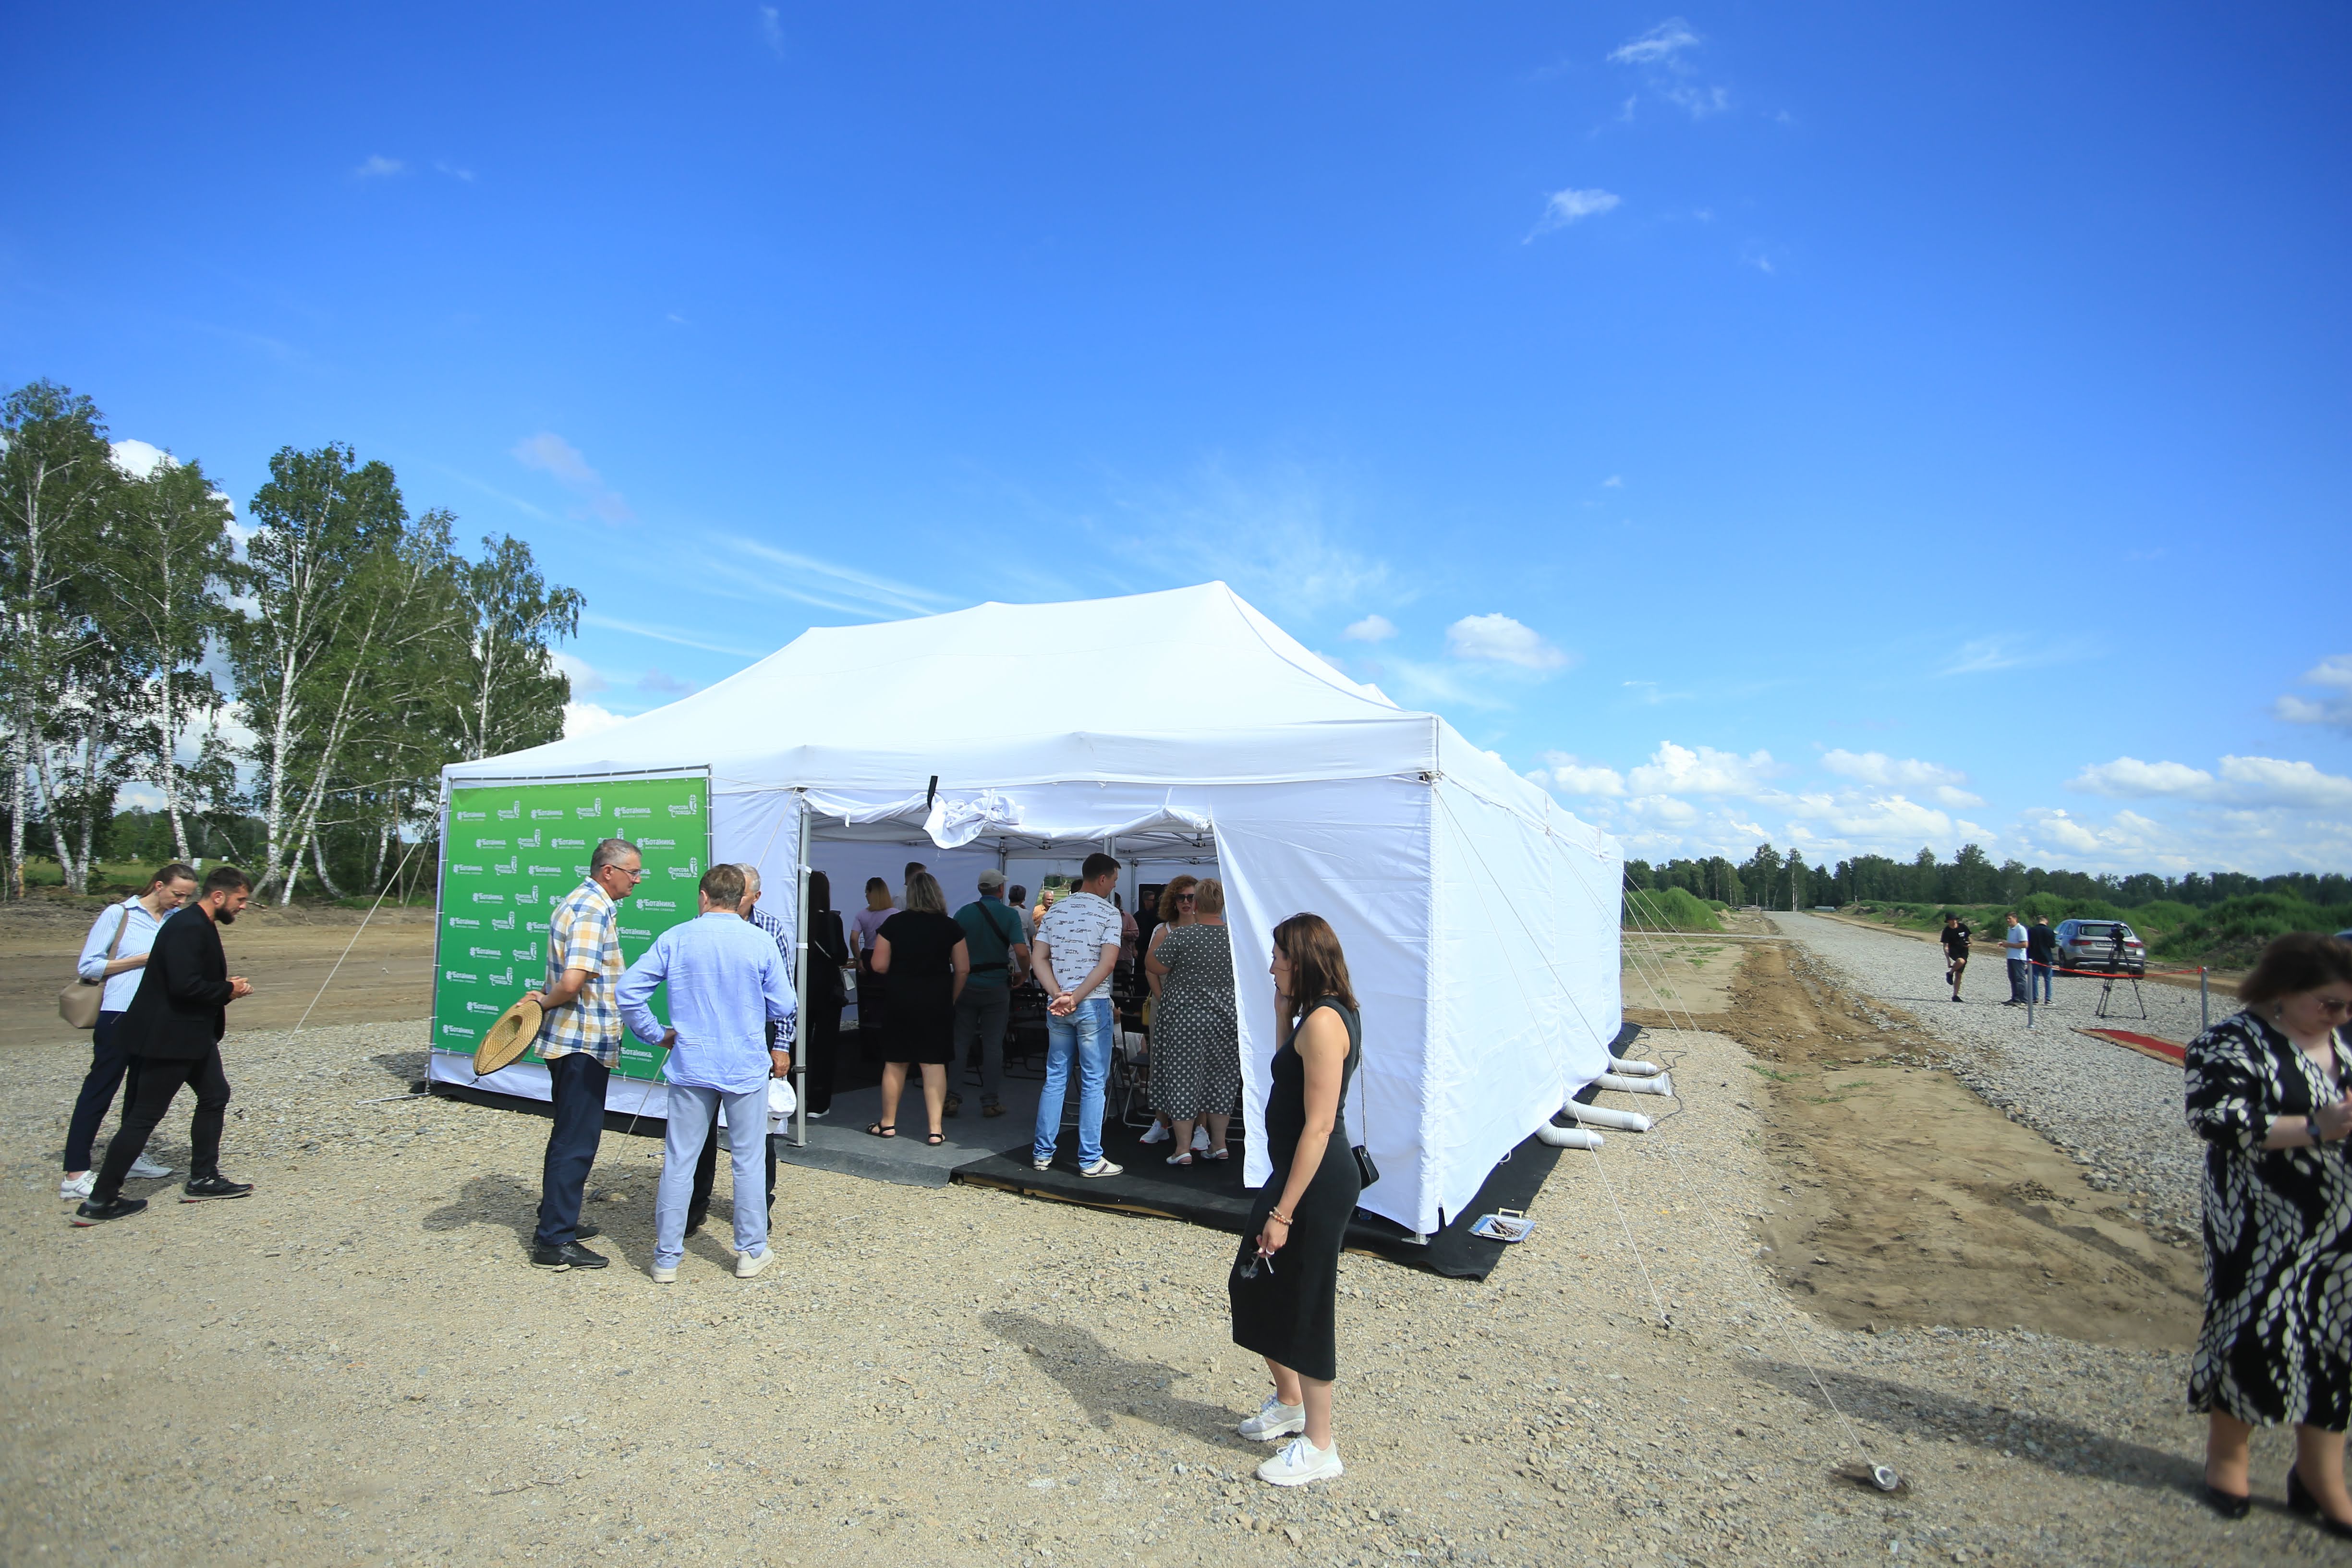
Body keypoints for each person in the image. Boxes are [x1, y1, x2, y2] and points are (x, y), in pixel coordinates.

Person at [2184, 932, 2352, 1533]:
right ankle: (2227, 1459)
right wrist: (2315, 1126)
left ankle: (2319, 1475)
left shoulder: (2342, 1040)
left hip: (2340, 1227)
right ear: (2282, 990)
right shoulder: (2231, 1040)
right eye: (2328, 1004)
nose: (2339, 1016)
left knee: (2336, 1342)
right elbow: (2212, 1118)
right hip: (2261, 1224)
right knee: (2254, 1333)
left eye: (2348, 1006)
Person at [1229, 912, 1362, 1487]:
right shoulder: (1314, 1015)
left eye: (1278, 957)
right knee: (1252, 1283)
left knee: (1306, 1302)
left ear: (1302, 960)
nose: (1271, 967)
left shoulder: (1326, 1022)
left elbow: (1319, 1125)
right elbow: (1287, 1073)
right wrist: (1282, 1011)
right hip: (1294, 1175)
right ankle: (1289, 1401)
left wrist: (1282, 1212)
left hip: (1314, 1182)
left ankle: (1320, 1443)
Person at [619, 863, 797, 1283]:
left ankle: (667, 1258)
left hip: (692, 1062)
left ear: (703, 896)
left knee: (680, 1160)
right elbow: (785, 1004)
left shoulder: (677, 937)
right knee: (749, 1160)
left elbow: (629, 990)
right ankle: (751, 1250)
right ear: (741, 898)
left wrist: (655, 1033)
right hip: (744, 1063)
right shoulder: (760, 940)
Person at [73, 866, 259, 1225]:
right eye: (240, 899)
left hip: (194, 1035)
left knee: (215, 1095)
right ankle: (100, 1201)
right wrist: (228, 990)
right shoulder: (188, 926)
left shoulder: (198, 923)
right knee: (144, 1116)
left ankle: (203, 1178)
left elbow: (190, 980)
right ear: (218, 896)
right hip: (170, 1038)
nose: (243, 906)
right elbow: (184, 986)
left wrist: (224, 988)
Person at [517, 838, 644, 1272]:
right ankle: (554, 1238)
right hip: (582, 1040)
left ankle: (557, 1214)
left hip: (572, 1039)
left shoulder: (578, 901)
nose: (637, 880)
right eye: (633, 872)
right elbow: (573, 982)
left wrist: (545, 1000)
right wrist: (544, 1002)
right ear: (609, 871)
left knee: (568, 1131)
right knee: (577, 1139)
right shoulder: (592, 909)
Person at [61, 863, 199, 1200]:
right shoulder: (119, 914)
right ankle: (75, 1173)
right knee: (100, 1089)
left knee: (140, 1090)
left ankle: (131, 1156)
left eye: (187, 897)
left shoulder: (174, 920)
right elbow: (89, 966)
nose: (181, 901)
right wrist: (143, 959)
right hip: (118, 1013)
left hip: (155, 1017)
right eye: (177, 894)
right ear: (158, 885)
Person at [685, 865, 794, 1233]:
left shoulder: (770, 929)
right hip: (709, 1036)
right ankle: (694, 1206)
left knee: (758, 1131)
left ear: (756, 897)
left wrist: (781, 1044)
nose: (732, 900)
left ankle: (758, 1207)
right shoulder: (700, 925)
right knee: (700, 1129)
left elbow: (784, 995)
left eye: (741, 893)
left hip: (754, 1036)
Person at [1031, 853, 1127, 1177]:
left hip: (1059, 1004)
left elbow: (1039, 958)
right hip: (1091, 1003)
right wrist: (1076, 997)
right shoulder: (1109, 913)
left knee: (1056, 1077)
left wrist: (1058, 994)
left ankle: (1042, 1152)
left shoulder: (1055, 910)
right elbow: (1108, 964)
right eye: (1114, 880)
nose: (1114, 886)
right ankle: (1090, 1159)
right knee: (1093, 1082)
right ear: (1102, 879)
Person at [868, 870, 969, 1144]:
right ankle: (935, 1130)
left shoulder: (894, 923)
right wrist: (951, 997)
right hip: (936, 1001)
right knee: (934, 1063)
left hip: (900, 999)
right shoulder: (950, 927)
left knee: (896, 1062)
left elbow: (878, 965)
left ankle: (888, 1123)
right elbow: (963, 969)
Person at [1146, 877, 1238, 1166]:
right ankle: (1219, 1145)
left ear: (1196, 904)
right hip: (1225, 1018)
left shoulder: (1182, 936)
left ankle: (1183, 1148)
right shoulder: (1235, 937)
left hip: (1184, 1020)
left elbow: (1153, 965)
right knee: (1222, 1080)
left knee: (1183, 1080)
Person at [952, 868, 1031, 1119]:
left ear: (980, 889)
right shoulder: (1009, 915)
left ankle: (951, 1097)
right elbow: (1021, 951)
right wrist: (1025, 972)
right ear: (1000, 890)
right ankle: (990, 1101)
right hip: (996, 985)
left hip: (966, 983)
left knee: (960, 1042)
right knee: (993, 1045)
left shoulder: (963, 912)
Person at [798, 869, 850, 1118]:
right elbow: (840, 955)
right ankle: (818, 1103)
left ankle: (793, 1096)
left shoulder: (797, 919)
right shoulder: (832, 920)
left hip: (802, 988)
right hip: (828, 991)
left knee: (797, 1045)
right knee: (825, 1048)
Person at [852, 876, 897, 1036]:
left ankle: (868, 1037)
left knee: (868, 1000)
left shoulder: (862, 915)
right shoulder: (895, 914)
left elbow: (854, 939)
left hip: (868, 956)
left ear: (872, 893)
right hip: (889, 958)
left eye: (867, 891)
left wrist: (859, 960)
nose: (865, 895)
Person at [1939, 913, 1972, 1002]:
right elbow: (1945, 946)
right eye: (1952, 920)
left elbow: (1969, 938)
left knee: (1959, 974)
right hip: (1954, 951)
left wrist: (1969, 944)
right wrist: (1948, 960)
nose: (1954, 921)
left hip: (1964, 951)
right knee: (1961, 961)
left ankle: (1955, 996)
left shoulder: (1963, 927)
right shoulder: (1947, 931)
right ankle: (1950, 973)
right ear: (1948, 921)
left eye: (1955, 920)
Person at [2027, 915, 2059, 1005]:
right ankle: (2048, 999)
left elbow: (2029, 945)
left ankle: (2035, 998)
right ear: (2046, 921)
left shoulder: (2031, 930)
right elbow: (2053, 945)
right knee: (2048, 979)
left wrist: (2028, 957)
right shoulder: (2050, 931)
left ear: (2038, 921)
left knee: (2034, 978)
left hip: (2034, 958)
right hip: (2046, 958)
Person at [2001, 912, 2030, 1006]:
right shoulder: (2010, 930)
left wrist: (2009, 945)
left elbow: (2025, 944)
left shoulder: (2021, 929)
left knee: (2020, 979)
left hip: (2018, 958)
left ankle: (2024, 1000)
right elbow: (2012, 943)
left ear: (2015, 919)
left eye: (2009, 918)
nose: (2008, 920)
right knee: (2013, 978)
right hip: (2011, 956)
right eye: (2007, 919)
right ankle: (2016, 998)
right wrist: (2005, 944)